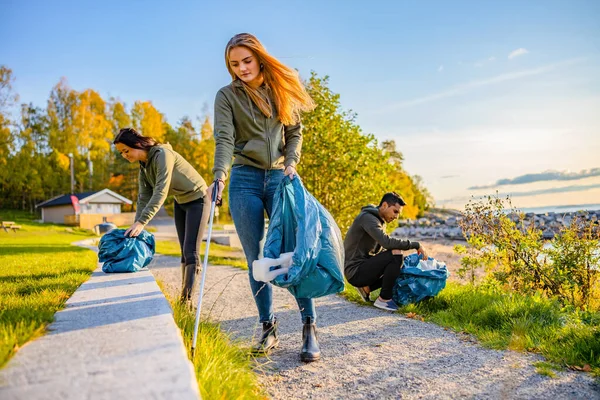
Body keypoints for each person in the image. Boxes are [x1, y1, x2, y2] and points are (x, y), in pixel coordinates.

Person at [206, 33, 319, 362]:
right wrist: (219, 176)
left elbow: (295, 131)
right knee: (256, 259)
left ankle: (309, 327)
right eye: (234, 64)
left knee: (294, 251)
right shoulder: (226, 96)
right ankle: (268, 329)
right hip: (243, 180)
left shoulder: (281, 88)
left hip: (280, 177)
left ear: (259, 57)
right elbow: (224, 139)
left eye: (246, 61)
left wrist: (292, 162)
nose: (241, 68)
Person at [114, 127, 209, 302]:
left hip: (199, 199)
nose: (124, 155)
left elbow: (160, 192)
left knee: (191, 251)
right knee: (183, 252)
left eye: (126, 151)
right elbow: (144, 197)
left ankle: (186, 302)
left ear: (137, 144)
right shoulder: (143, 166)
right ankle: (185, 297)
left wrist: (142, 222)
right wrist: (137, 226)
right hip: (181, 201)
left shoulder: (162, 155)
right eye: (121, 153)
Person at [344, 192, 429, 311]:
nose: (396, 217)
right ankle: (384, 299)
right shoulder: (368, 218)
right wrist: (416, 245)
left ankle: (367, 288)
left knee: (400, 261)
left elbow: (382, 249)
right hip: (355, 271)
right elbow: (387, 242)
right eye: (395, 211)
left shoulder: (379, 220)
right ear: (384, 205)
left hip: (361, 268)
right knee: (396, 254)